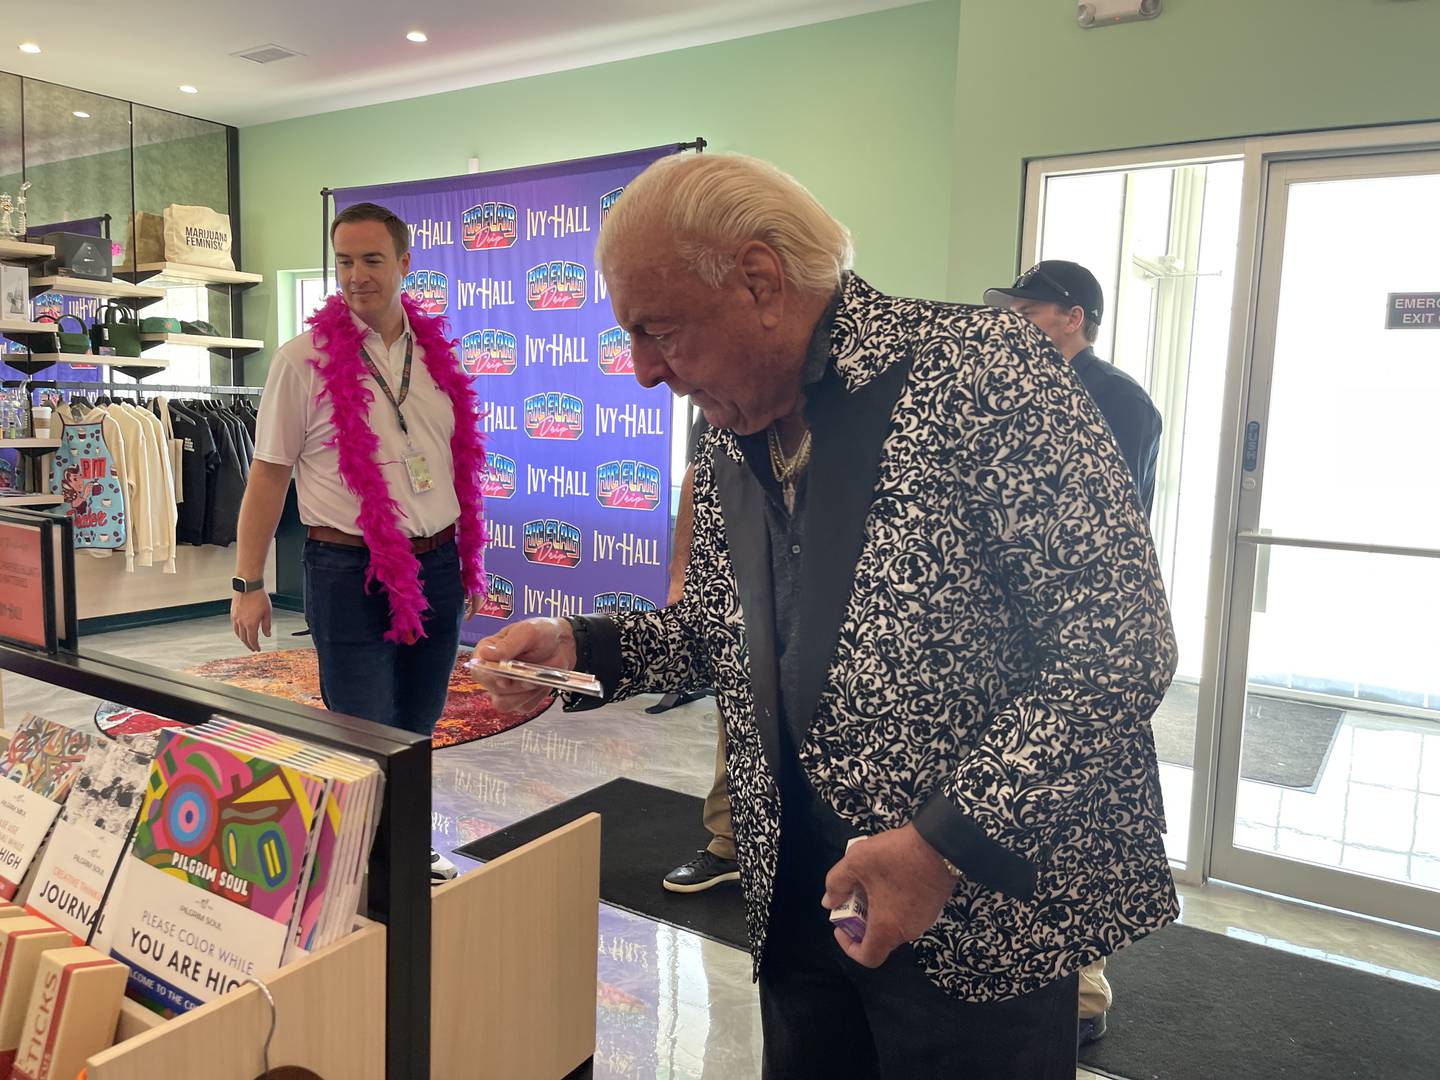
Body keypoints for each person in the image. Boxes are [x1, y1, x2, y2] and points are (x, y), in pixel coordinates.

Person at [473, 153, 1178, 1079]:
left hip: (979, 924)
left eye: (660, 331)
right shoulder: (731, 421)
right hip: (800, 903)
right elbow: (724, 630)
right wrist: (582, 643)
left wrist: (939, 847)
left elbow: (1119, 648)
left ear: (761, 281)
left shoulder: (983, 372)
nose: (644, 371)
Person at [231, 201, 488, 883]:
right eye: (344, 261)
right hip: (347, 568)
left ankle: (401, 847)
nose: (356, 276)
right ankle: (362, 870)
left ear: (404, 263)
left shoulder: (433, 357)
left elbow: (453, 459)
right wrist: (247, 582)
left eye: (372, 260)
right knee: (361, 728)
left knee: (417, 722)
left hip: (434, 564)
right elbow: (267, 476)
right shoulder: (302, 362)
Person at [984, 259, 1166, 1042]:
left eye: (1028, 308)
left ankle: (1084, 990)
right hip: (1014, 638)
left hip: (1087, 640)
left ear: (1073, 316)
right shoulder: (1008, 393)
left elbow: (1094, 533)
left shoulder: (1120, 402)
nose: (1015, 319)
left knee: (1080, 811)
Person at [985, 260, 1162, 514]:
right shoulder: (1016, 392)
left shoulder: (1121, 399)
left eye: (1026, 313)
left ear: (1073, 318)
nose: (1011, 325)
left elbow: (1115, 517)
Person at [658, 415, 741, 894]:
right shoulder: (720, 395)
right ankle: (727, 845)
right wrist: (680, 573)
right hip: (741, 588)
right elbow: (696, 473)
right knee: (738, 710)